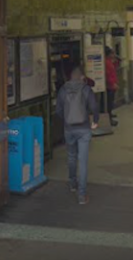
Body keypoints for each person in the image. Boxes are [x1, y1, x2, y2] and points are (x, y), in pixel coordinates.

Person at [56, 66, 100, 205]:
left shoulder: (63, 90)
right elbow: (94, 107)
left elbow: (58, 110)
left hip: (69, 129)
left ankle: (72, 184)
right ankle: (82, 195)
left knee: (71, 157)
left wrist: (67, 120)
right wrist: (95, 121)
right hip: (84, 129)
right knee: (83, 161)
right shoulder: (86, 89)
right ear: (81, 77)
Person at [104, 46, 120, 126]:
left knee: (111, 102)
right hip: (110, 86)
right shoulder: (106, 62)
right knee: (109, 104)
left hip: (112, 85)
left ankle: (110, 117)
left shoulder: (109, 61)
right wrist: (112, 84)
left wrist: (116, 61)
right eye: (112, 53)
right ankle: (109, 120)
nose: (113, 55)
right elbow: (108, 75)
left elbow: (114, 69)